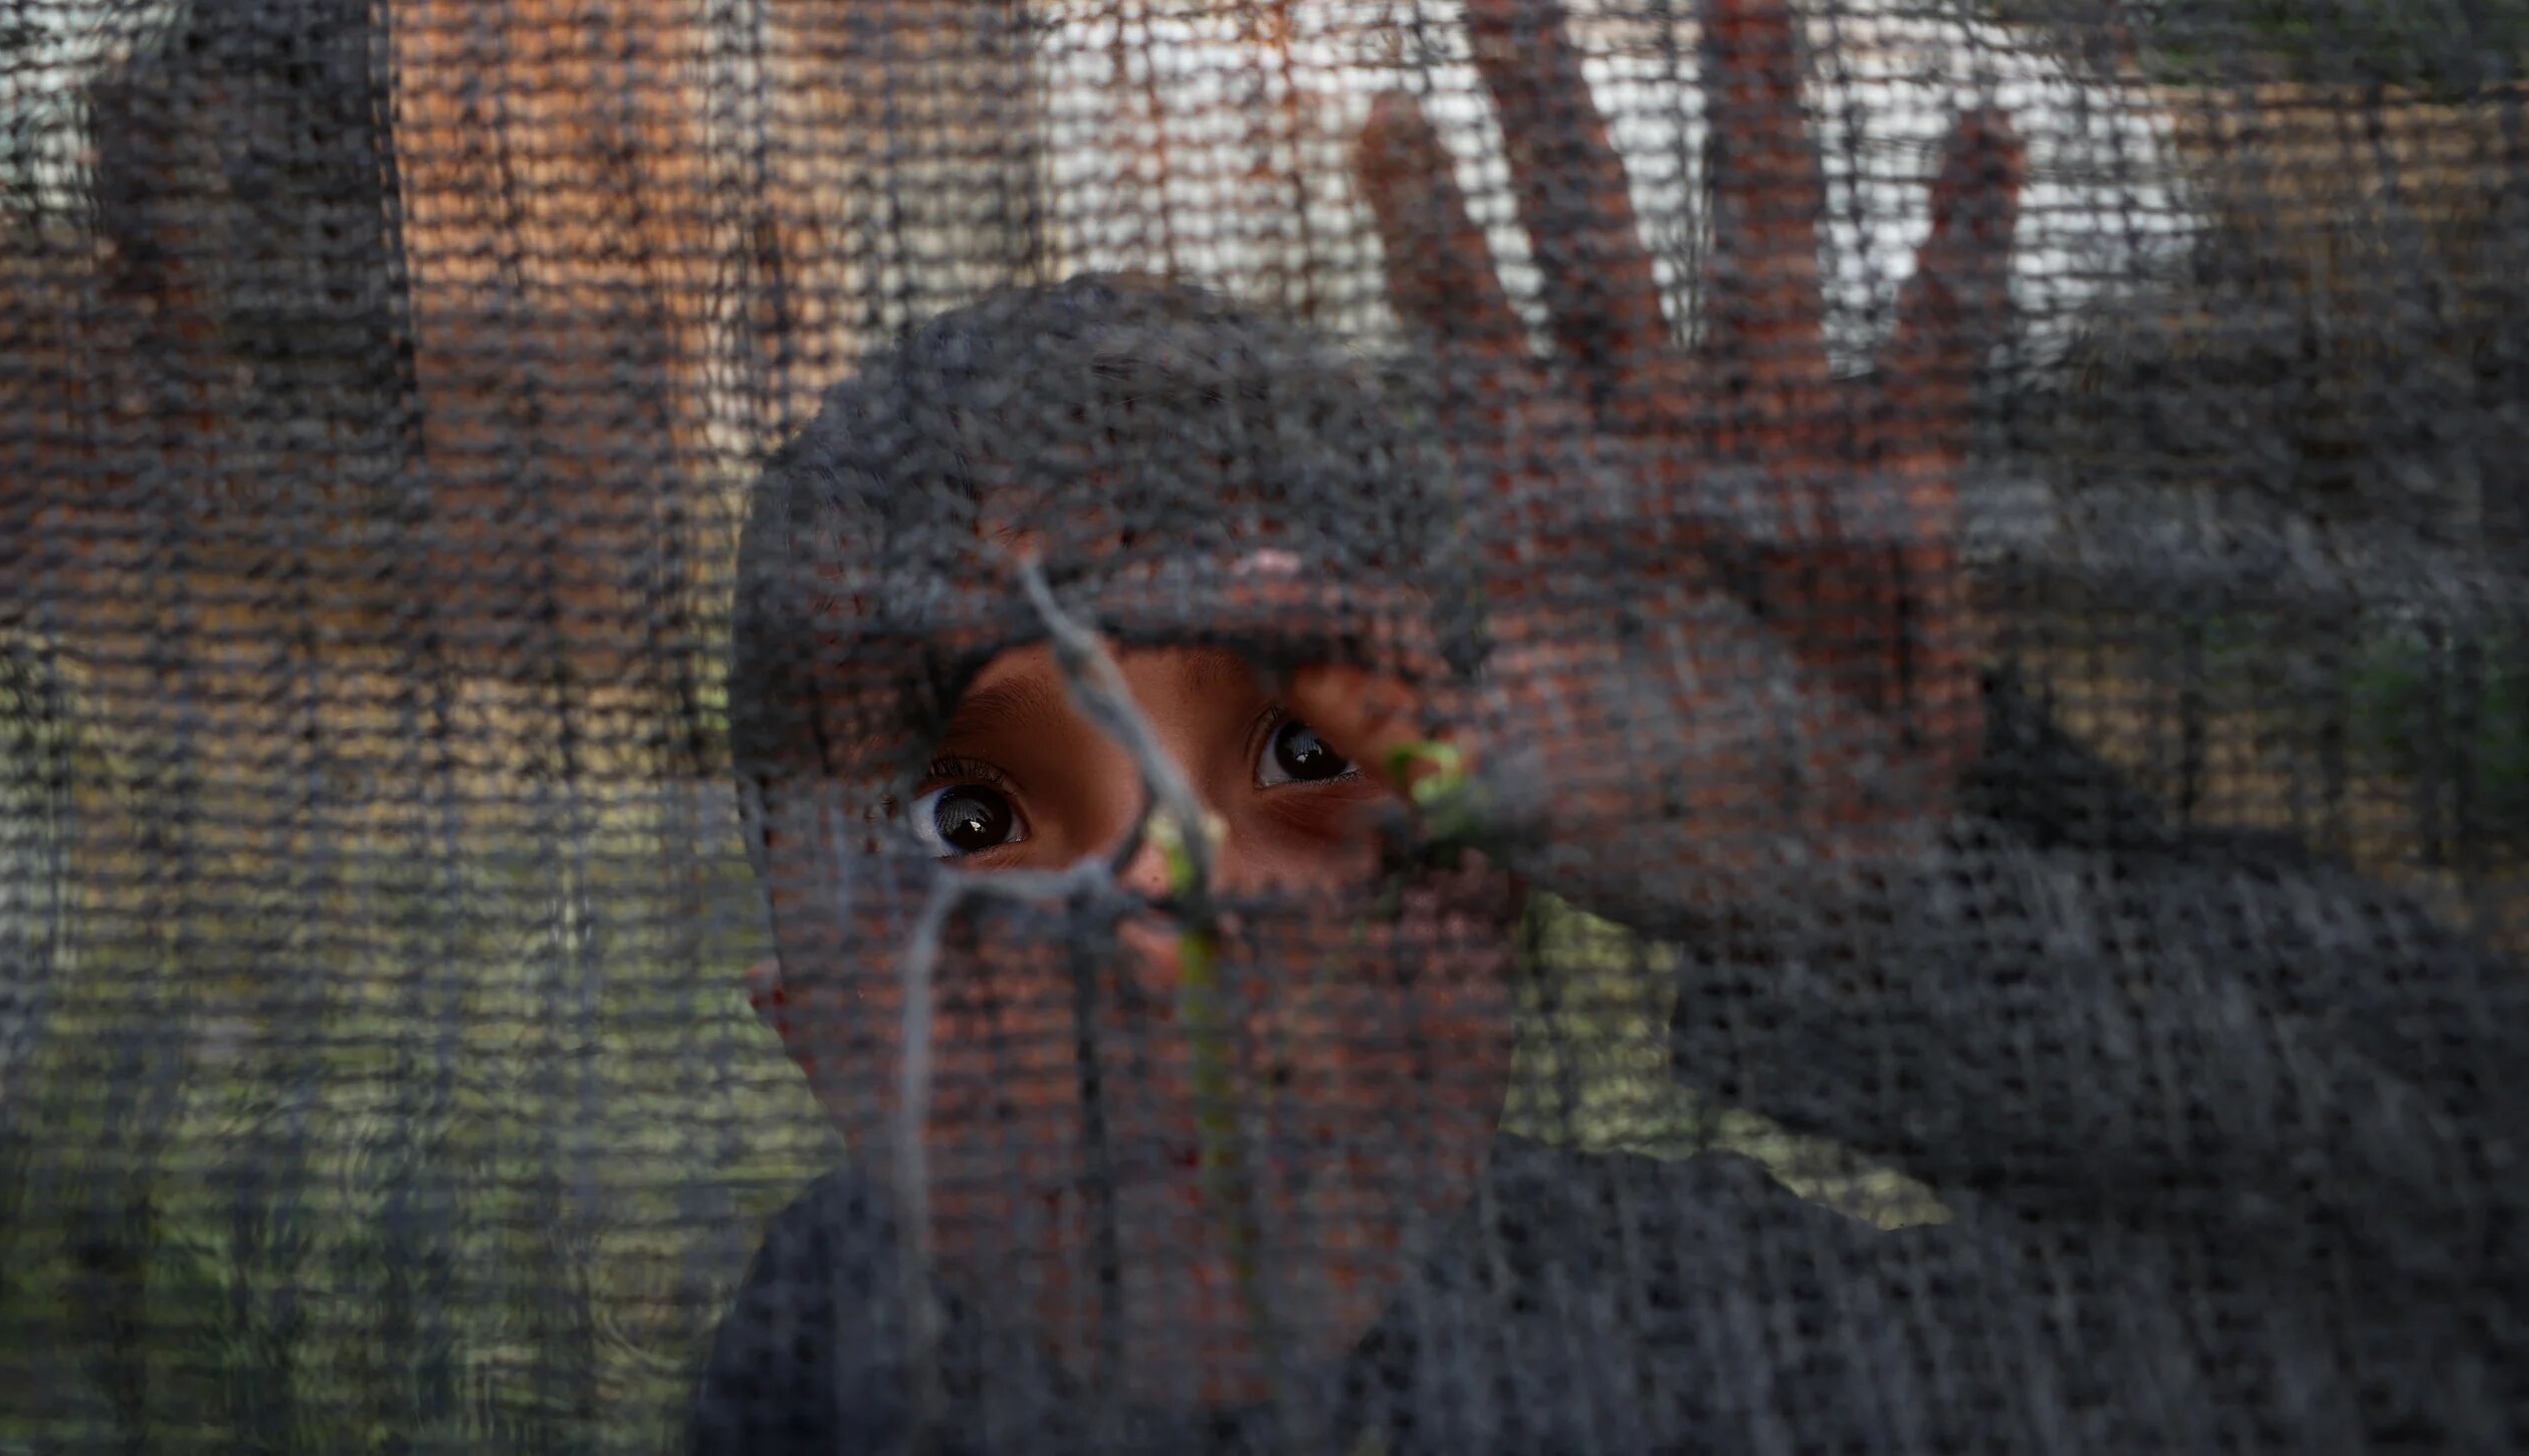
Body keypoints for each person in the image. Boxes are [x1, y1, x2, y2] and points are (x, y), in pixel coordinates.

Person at [692, 4, 2526, 1451]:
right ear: (817, 1035)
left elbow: (2457, 1333)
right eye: (978, 827)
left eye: (1311, 762)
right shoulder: (833, 1361)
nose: (1173, 955)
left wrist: (1901, 877)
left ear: (1496, 913)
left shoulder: (1707, 1354)